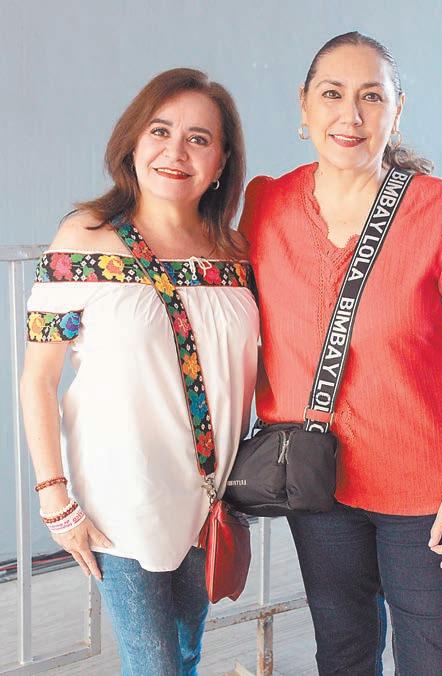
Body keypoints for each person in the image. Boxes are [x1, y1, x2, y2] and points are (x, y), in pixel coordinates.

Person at [239, 32, 442, 675]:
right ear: (304, 105)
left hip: (425, 489)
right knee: (343, 653)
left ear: (396, 111)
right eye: (333, 94)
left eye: (371, 97)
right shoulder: (266, 206)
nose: (350, 115)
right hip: (318, 483)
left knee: (437, 661)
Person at [20, 68, 259, 676]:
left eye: (199, 139)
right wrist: (54, 497)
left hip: (209, 495)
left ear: (221, 161)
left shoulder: (235, 254)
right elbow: (38, 378)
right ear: (132, 142)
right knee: (155, 666)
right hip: (120, 499)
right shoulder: (84, 238)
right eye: (160, 130)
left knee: (185, 653)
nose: (176, 151)